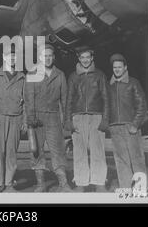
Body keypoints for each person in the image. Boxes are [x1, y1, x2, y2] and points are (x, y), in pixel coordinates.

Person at [24, 44, 71, 192]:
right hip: (36, 118)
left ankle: (63, 183)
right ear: (39, 57)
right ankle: (41, 184)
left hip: (53, 117)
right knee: (36, 151)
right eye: (45, 56)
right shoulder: (32, 73)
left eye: (50, 55)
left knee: (58, 150)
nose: (48, 58)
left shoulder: (60, 75)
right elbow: (28, 98)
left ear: (54, 57)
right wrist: (30, 117)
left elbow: (65, 100)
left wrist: (66, 119)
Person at [0, 47, 27, 192]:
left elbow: (26, 102)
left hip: (16, 118)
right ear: (3, 56)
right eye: (9, 55)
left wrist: (25, 121)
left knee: (11, 152)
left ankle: (8, 183)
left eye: (15, 56)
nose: (12, 58)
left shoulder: (22, 77)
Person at [65, 47, 109, 192]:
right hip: (77, 117)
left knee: (98, 151)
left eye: (87, 57)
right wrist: (68, 120)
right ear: (78, 58)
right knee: (79, 152)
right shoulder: (73, 76)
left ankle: (99, 182)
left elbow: (106, 98)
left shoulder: (100, 75)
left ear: (92, 58)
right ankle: (81, 183)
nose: (85, 60)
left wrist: (105, 119)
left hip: (96, 116)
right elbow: (69, 99)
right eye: (82, 57)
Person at [108, 53, 148, 189]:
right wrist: (109, 124)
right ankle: (125, 188)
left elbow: (142, 106)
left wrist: (135, 125)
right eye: (114, 67)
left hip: (130, 127)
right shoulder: (110, 85)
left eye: (119, 67)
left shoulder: (133, 82)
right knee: (121, 160)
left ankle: (140, 188)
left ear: (125, 67)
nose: (117, 69)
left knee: (137, 159)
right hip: (114, 127)